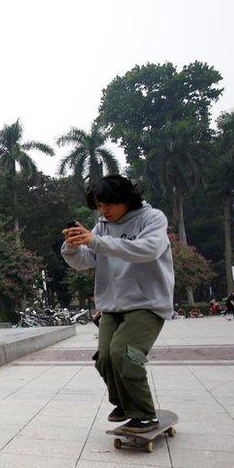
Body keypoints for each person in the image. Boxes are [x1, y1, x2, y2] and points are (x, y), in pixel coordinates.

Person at [61, 175, 174, 433]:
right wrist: (72, 247)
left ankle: (144, 414)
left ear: (126, 199)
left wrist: (96, 241)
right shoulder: (101, 227)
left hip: (147, 303)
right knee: (104, 358)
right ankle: (124, 403)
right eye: (99, 206)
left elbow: (148, 250)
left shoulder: (152, 218)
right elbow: (85, 261)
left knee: (124, 354)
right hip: (112, 305)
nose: (104, 211)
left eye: (109, 204)